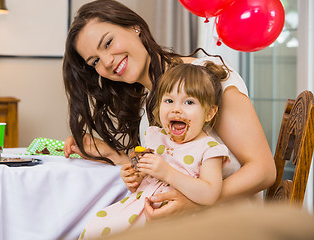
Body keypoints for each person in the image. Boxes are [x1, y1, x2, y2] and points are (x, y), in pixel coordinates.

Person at [63, 0, 275, 220]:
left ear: (134, 27)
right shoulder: (150, 108)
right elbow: (175, 169)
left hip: (230, 222)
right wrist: (112, 154)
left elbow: (263, 171)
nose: (106, 62)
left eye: (107, 43)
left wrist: (194, 202)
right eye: (95, 61)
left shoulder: (206, 79)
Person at [79, 62, 239, 239]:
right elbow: (148, 181)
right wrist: (134, 178)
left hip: (181, 221)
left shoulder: (208, 149)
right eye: (169, 101)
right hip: (141, 208)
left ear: (209, 113)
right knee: (98, 225)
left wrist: (167, 172)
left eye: (189, 102)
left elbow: (209, 194)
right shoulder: (156, 137)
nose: (176, 109)